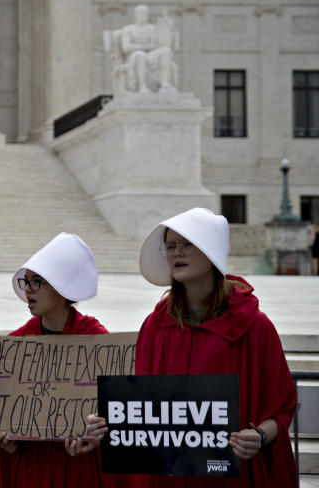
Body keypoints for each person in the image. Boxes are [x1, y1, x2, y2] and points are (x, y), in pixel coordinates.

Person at [84, 207, 298, 487]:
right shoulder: (154, 326)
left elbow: (281, 407)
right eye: (171, 246)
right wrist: (109, 420)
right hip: (167, 477)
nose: (176, 253)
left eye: (187, 244)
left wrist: (259, 436)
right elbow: (143, 406)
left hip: (232, 477)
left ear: (211, 254)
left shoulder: (255, 327)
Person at [0, 232, 123, 487]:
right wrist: (9, 440)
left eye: (37, 281)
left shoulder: (96, 339)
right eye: (26, 281)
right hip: (33, 468)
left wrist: (97, 432)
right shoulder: (17, 342)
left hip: (81, 469)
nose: (28, 289)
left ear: (63, 288)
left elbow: (117, 412)